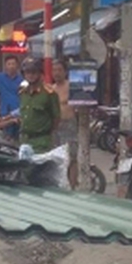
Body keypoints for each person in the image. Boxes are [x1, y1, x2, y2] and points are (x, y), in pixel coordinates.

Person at [18, 58, 59, 152]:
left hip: (42, 141)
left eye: (33, 72)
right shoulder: (22, 93)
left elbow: (56, 118)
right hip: (24, 140)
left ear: (40, 73)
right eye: (27, 72)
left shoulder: (49, 94)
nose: (30, 75)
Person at [51, 59, 78, 188]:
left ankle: (73, 185)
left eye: (59, 70)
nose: (57, 73)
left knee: (72, 157)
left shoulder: (71, 86)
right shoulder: (51, 89)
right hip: (56, 126)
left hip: (70, 124)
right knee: (58, 157)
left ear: (65, 72)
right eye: (54, 70)